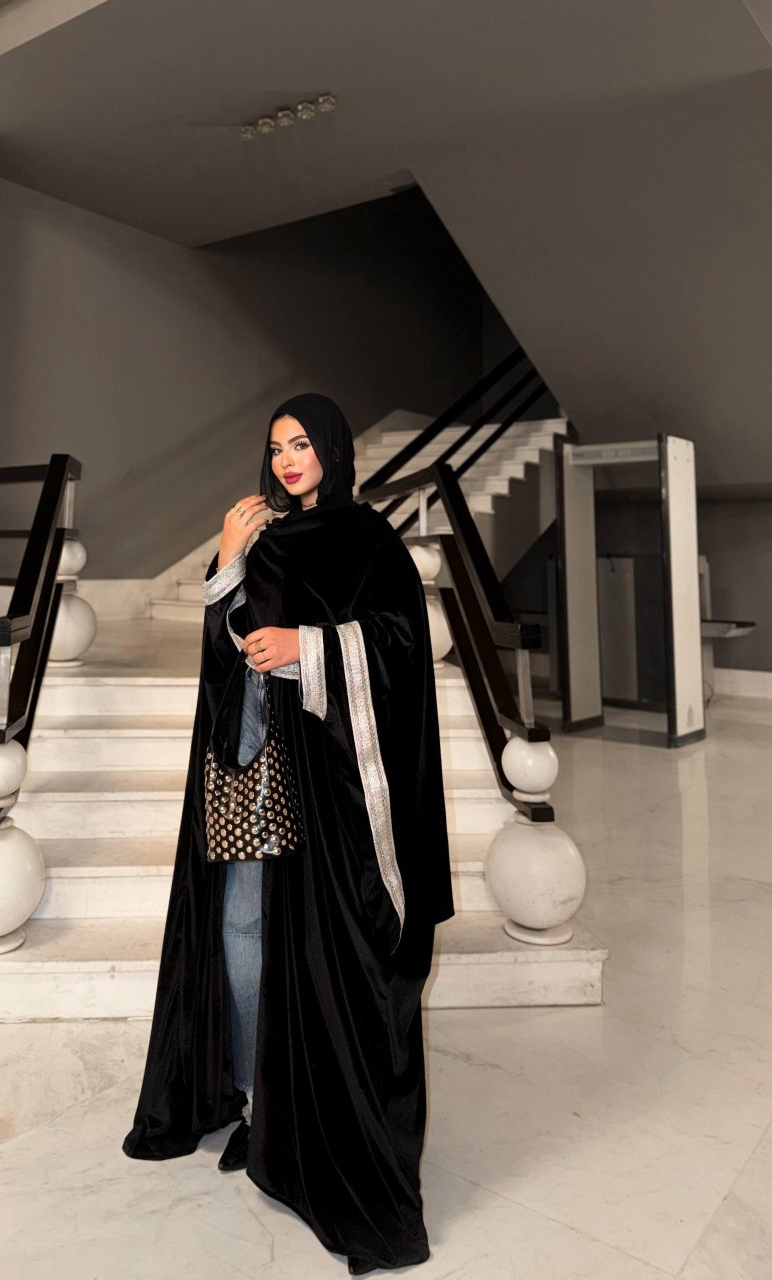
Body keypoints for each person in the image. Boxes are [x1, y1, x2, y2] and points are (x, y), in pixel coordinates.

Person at [122, 393, 454, 1273]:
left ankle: (292, 1115)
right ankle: (250, 1093)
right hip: (255, 765)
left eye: (302, 444)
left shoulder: (370, 541)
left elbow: (399, 645)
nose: (288, 459)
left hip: (329, 788)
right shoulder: (264, 535)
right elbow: (228, 646)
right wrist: (228, 559)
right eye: (276, 448)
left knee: (309, 945)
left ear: (334, 449)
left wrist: (308, 646)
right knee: (239, 930)